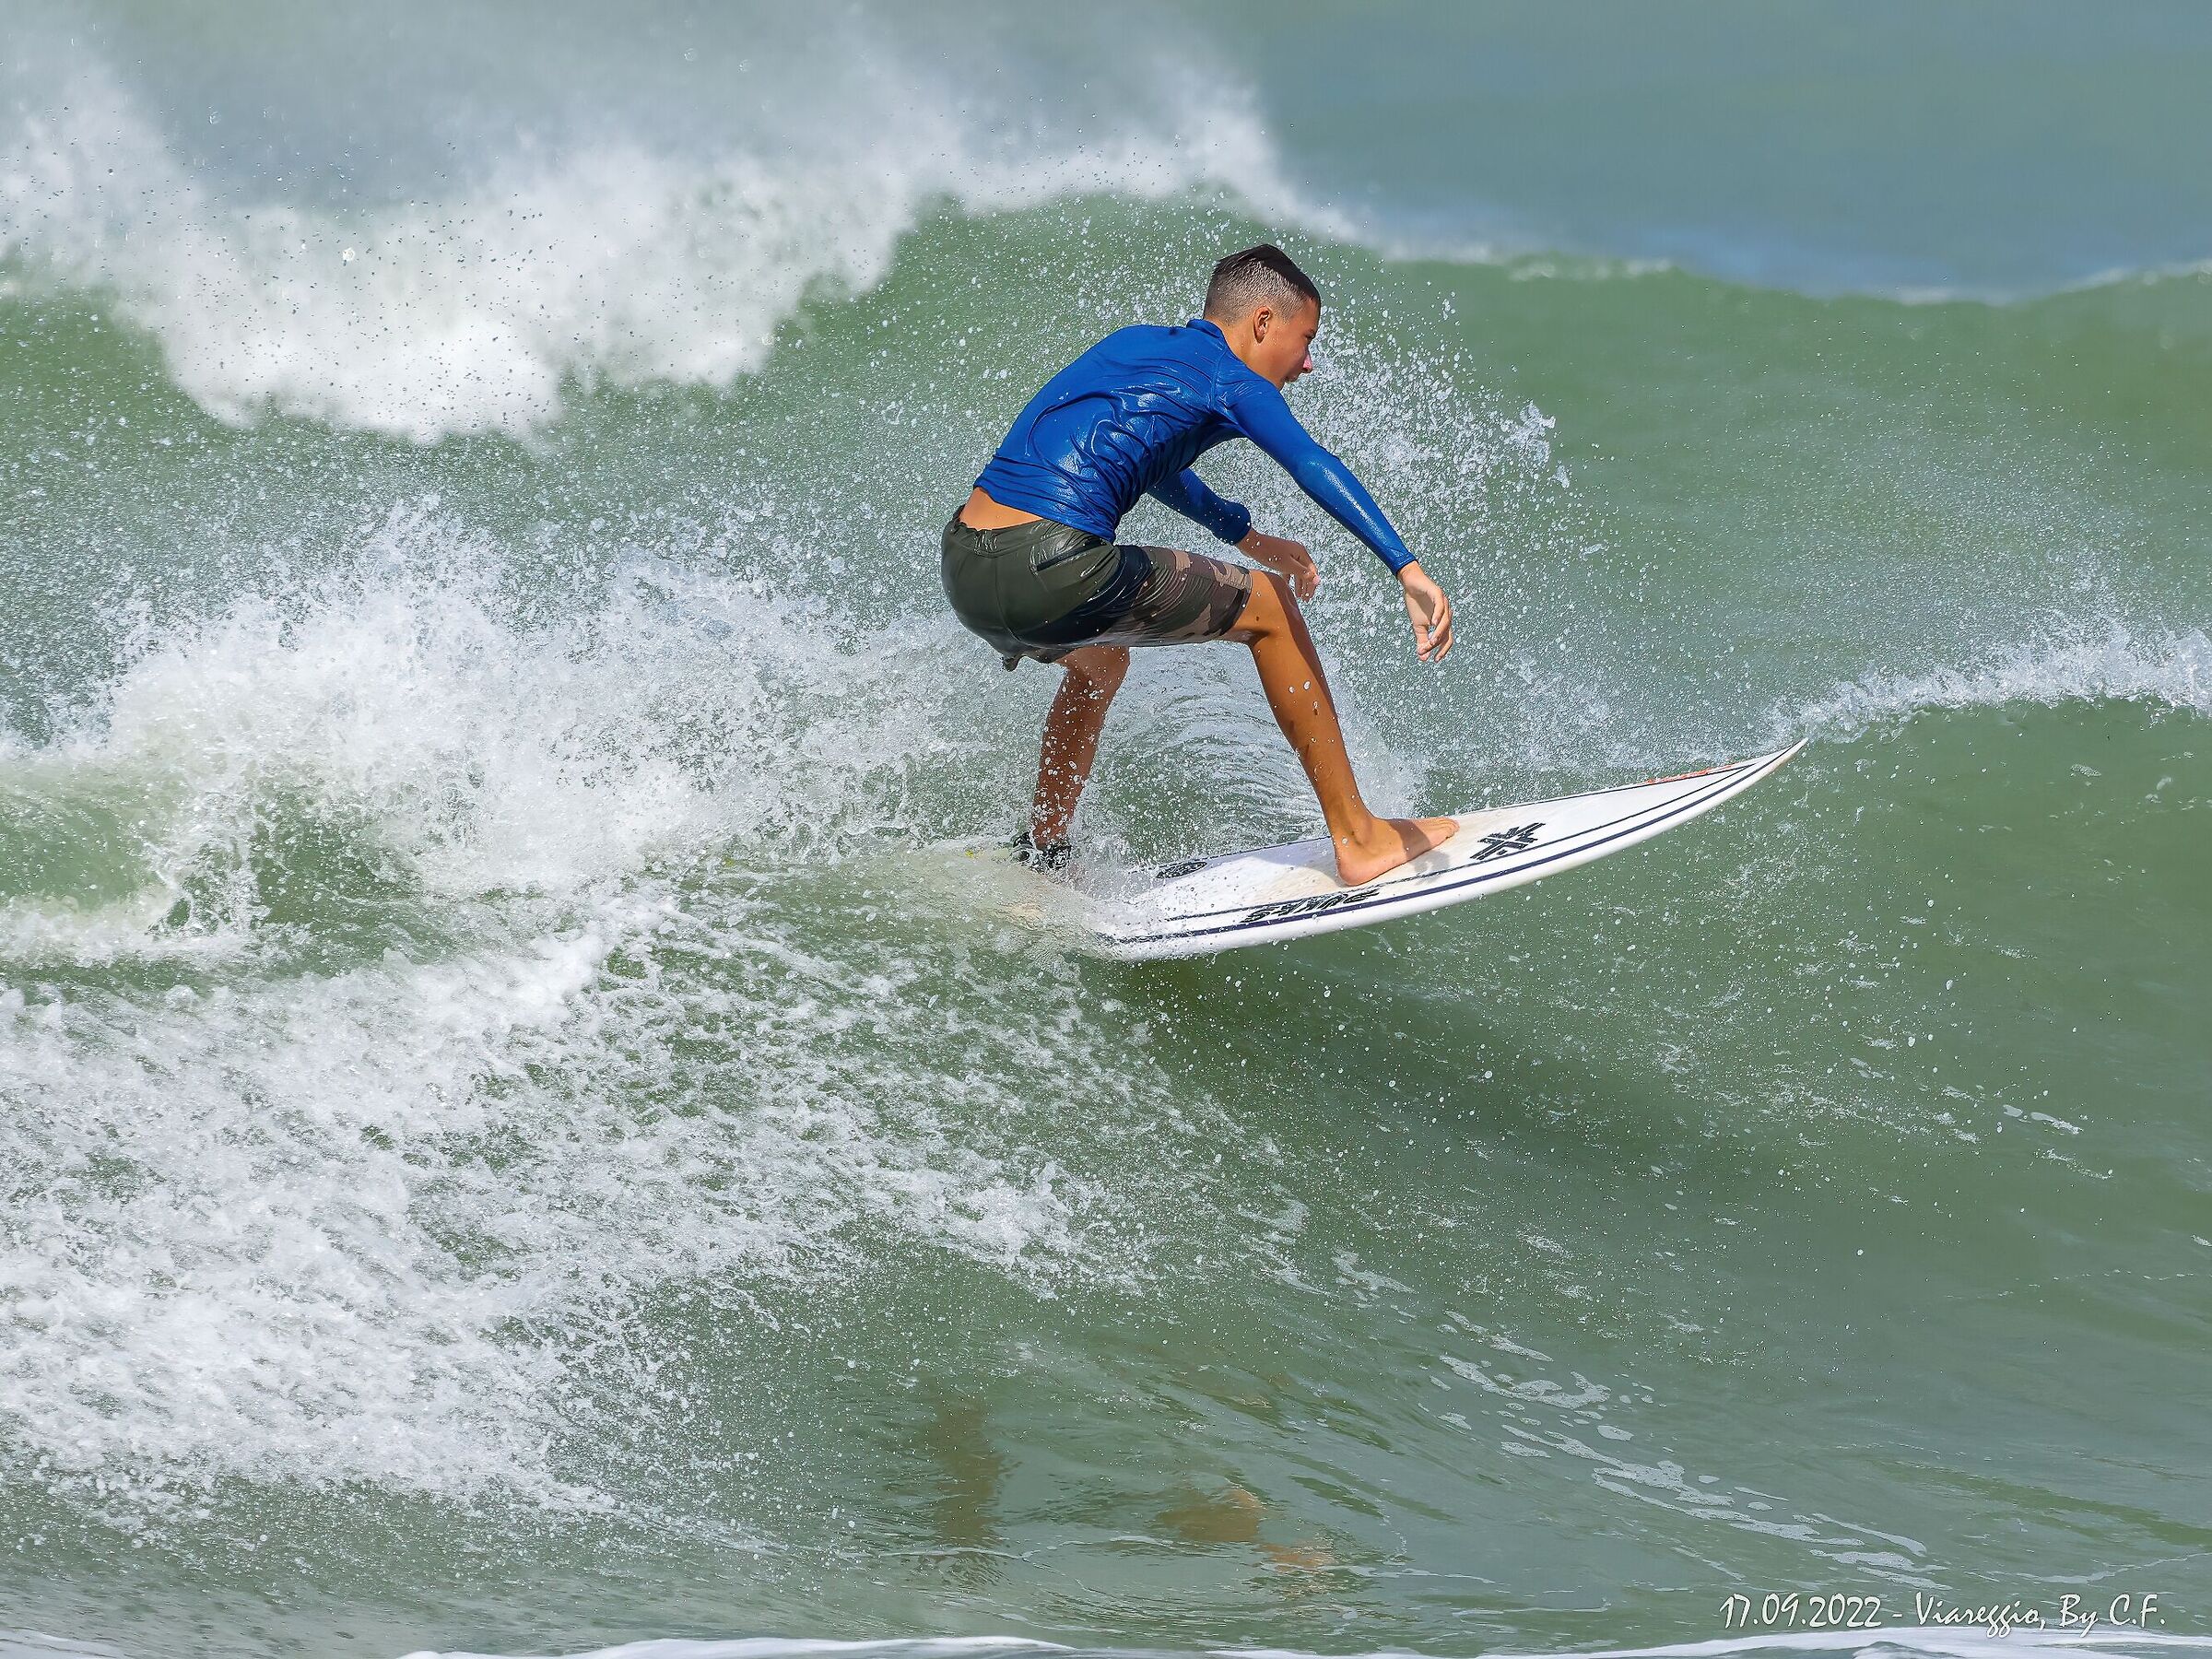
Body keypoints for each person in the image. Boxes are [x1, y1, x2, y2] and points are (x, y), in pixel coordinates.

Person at [941, 243, 1457, 886]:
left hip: (967, 565)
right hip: (1054, 567)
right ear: (1262, 322)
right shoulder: (1231, 378)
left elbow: (1152, 464)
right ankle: (1359, 837)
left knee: (1100, 661)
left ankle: (1043, 851)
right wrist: (1405, 567)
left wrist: (1242, 533)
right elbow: (1311, 462)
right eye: (1305, 339)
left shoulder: (1134, 344)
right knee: (1271, 606)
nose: (1307, 363)